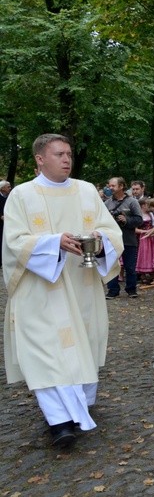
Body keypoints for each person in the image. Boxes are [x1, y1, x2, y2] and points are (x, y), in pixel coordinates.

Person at [3, 133, 123, 447]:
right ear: (40, 159)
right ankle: (59, 421)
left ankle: (79, 406)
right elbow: (14, 242)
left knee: (83, 344)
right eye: (59, 154)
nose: (67, 159)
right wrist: (54, 242)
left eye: (69, 153)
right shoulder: (22, 195)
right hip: (41, 291)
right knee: (47, 353)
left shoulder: (86, 191)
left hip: (82, 287)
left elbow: (111, 230)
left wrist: (99, 242)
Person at [104, 177, 142, 299]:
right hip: (112, 239)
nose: (110, 188)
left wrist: (126, 220)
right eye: (109, 186)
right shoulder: (107, 203)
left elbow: (139, 220)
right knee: (111, 265)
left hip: (128, 239)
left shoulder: (132, 202)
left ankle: (131, 289)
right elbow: (101, 221)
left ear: (121, 186)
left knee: (130, 266)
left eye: (113, 186)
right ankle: (112, 290)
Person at [0, 180, 11, 268]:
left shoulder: (9, 197)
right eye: (8, 187)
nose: (10, 188)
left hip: (7, 223)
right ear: (2, 188)